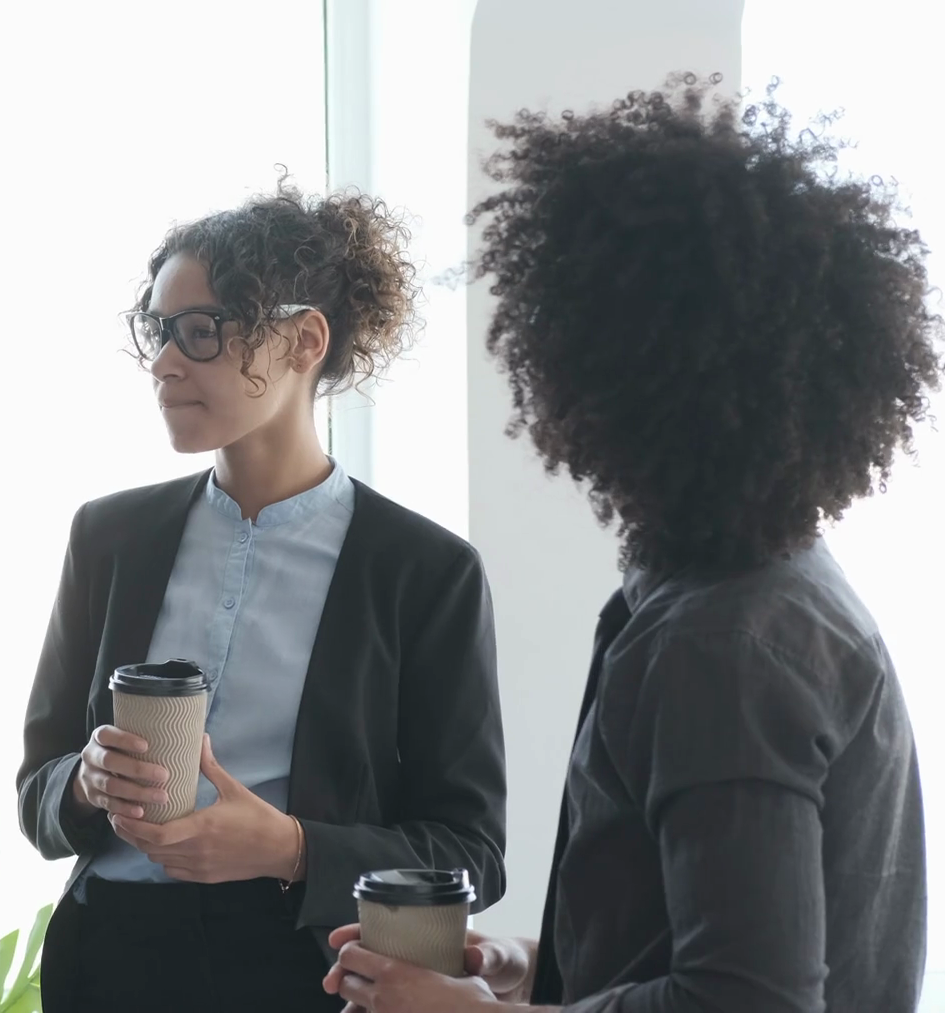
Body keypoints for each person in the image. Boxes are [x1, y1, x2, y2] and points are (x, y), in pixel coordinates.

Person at [325, 76, 939, 1013]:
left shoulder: (722, 643)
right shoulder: (771, 586)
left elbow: (750, 1002)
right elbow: (704, 944)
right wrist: (527, 969)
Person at [16, 183, 508, 1012]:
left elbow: (471, 850)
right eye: (159, 333)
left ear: (305, 339)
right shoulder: (109, 538)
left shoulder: (425, 570)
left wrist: (291, 848)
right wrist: (87, 781)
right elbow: (39, 793)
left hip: (302, 970)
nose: (167, 362)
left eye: (201, 331)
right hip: (107, 960)